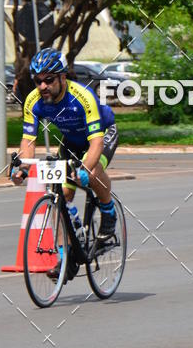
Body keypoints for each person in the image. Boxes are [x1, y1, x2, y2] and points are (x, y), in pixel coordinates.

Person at [11, 47, 119, 240]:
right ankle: (65, 258)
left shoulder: (82, 97)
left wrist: (85, 169)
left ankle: (108, 211)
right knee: (62, 195)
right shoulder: (33, 101)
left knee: (92, 172)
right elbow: (28, 139)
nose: (43, 86)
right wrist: (24, 167)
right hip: (71, 140)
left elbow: (96, 142)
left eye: (49, 80)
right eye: (38, 81)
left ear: (62, 77)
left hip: (101, 134)